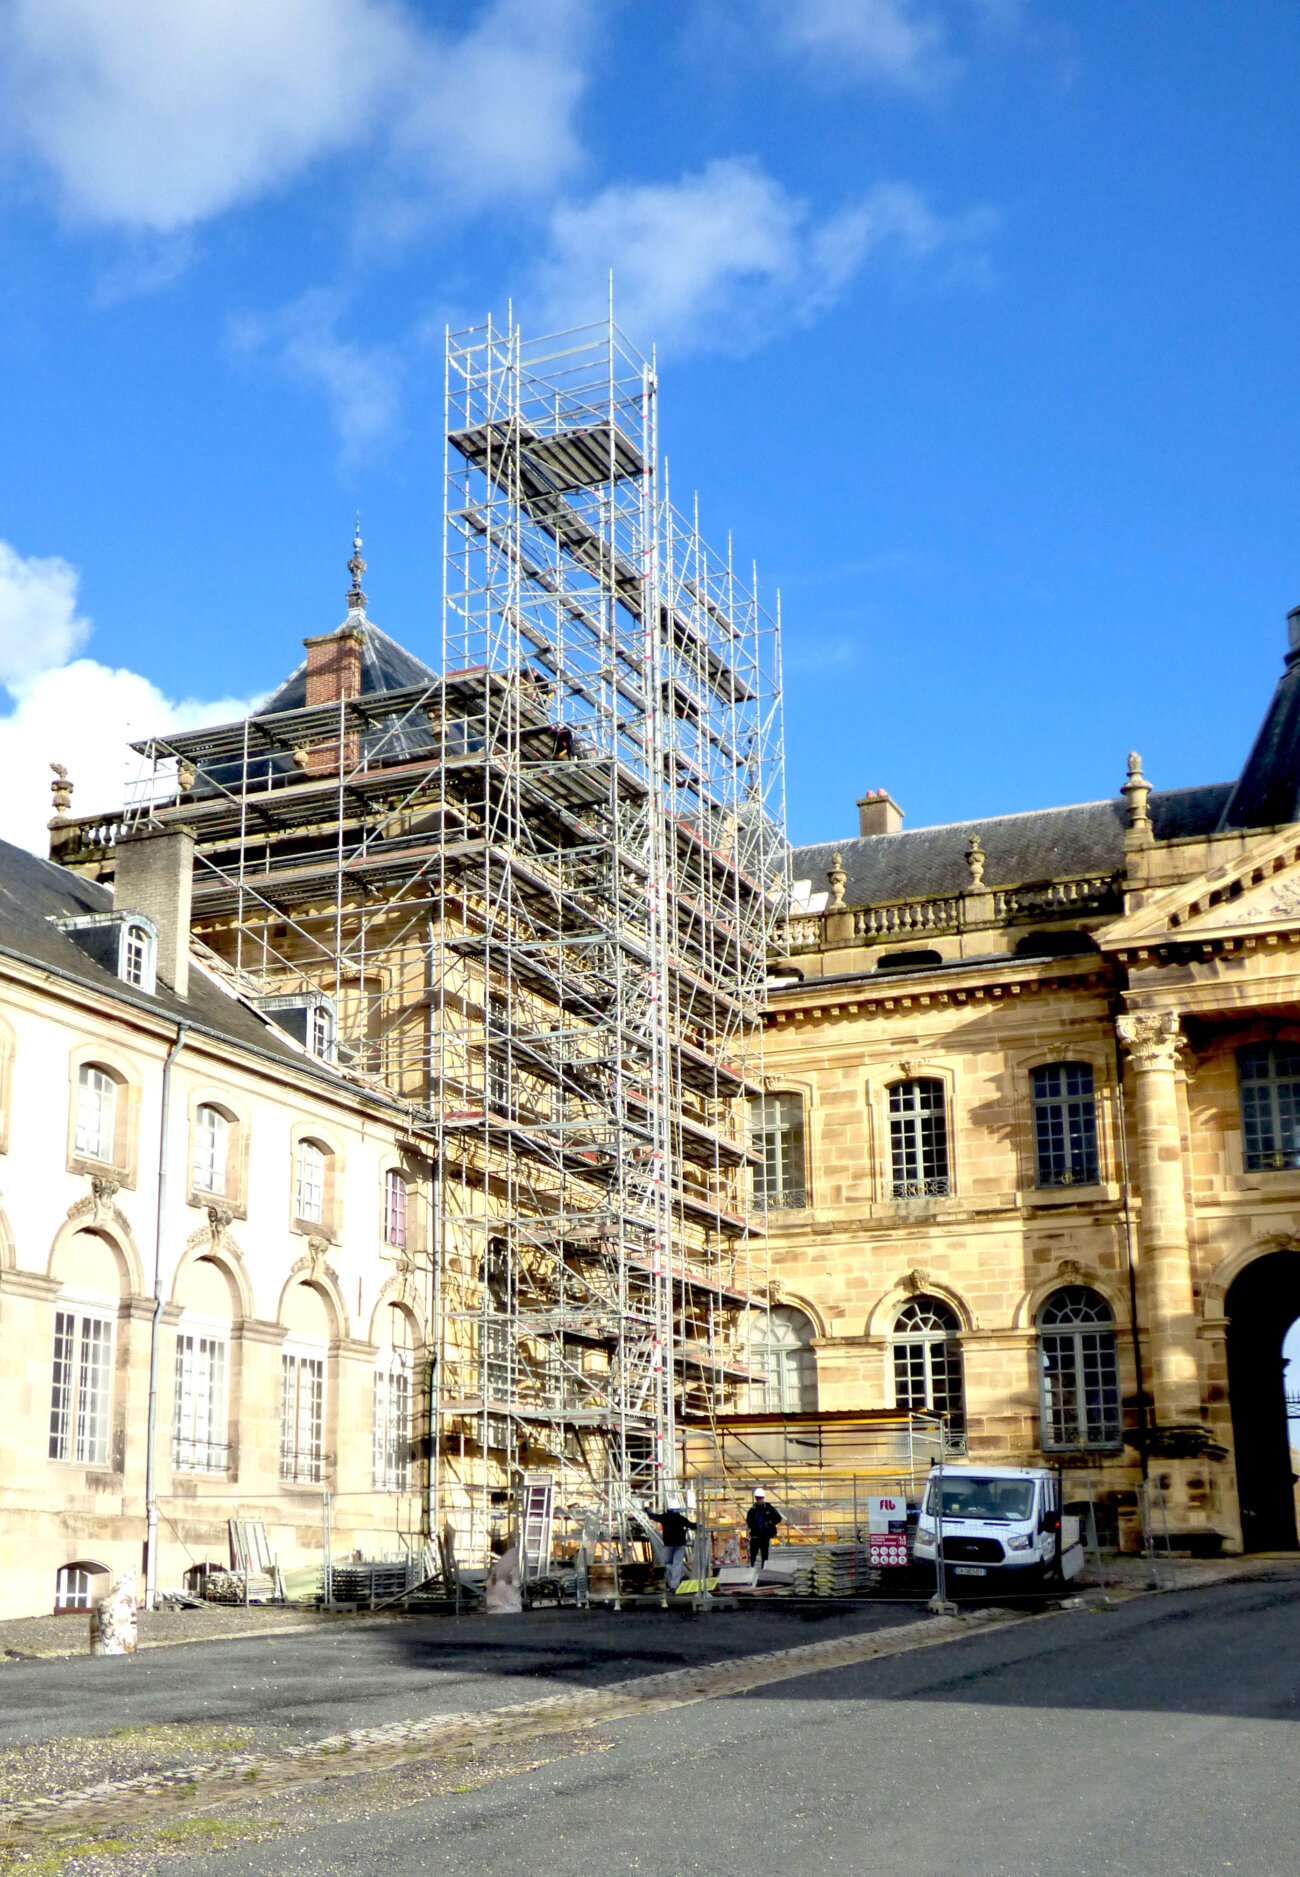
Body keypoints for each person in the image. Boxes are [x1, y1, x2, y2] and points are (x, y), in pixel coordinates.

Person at [650, 1500, 696, 1592]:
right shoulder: (681, 1518)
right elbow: (692, 1525)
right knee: (677, 1565)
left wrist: (648, 1510)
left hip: (668, 1545)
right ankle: (675, 1585)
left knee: (668, 1564)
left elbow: (653, 1516)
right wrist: (699, 1525)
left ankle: (671, 1584)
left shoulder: (664, 1517)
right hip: (679, 1545)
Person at [745, 1488, 782, 1570]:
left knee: (764, 1555)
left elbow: (778, 1518)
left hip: (765, 1536)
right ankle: (751, 1568)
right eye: (758, 1498)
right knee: (753, 1554)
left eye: (760, 1498)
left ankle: (764, 1569)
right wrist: (749, 1532)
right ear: (756, 1498)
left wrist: (770, 1523)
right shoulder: (752, 1510)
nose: (759, 1500)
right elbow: (748, 1522)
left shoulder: (769, 1508)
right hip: (755, 1536)